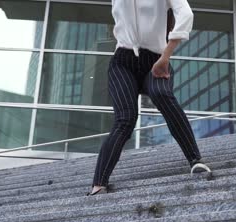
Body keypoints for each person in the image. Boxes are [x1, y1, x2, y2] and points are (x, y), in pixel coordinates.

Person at [87, 0, 210, 196]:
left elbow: (186, 15)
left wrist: (166, 57)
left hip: (157, 60)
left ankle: (196, 160)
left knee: (161, 94)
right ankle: (99, 183)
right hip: (123, 63)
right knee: (125, 119)